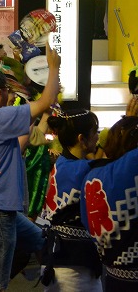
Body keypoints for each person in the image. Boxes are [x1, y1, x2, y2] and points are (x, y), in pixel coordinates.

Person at [0, 46, 60, 292]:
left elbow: (16, 147)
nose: (10, 94)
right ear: (0, 92)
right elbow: (47, 99)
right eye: (8, 89)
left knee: (40, 241)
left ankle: (49, 280)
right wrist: (54, 67)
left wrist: (41, 118)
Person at [40, 109, 102, 291]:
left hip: (59, 257)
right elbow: (114, 166)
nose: (98, 136)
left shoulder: (63, 164)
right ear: (82, 138)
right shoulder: (81, 170)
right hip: (73, 267)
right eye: (95, 132)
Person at [80, 98, 138, 290]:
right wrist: (131, 124)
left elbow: (88, 225)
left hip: (111, 276)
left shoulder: (91, 177)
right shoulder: (131, 167)